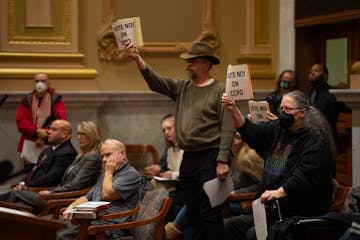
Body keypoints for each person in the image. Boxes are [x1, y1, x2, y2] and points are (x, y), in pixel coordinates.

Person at [125, 41, 234, 240]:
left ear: (206, 64)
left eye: (192, 62)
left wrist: (222, 160)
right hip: (189, 158)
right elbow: (155, 82)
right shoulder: (184, 88)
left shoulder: (220, 90)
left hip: (210, 156)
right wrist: (137, 58)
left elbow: (228, 126)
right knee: (192, 212)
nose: (187, 65)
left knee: (210, 213)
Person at [221, 90, 335, 240]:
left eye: (288, 109)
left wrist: (279, 192)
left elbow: (304, 174)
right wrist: (233, 109)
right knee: (230, 226)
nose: (283, 113)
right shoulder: (279, 128)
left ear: (302, 112)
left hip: (297, 212)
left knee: (253, 234)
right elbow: (251, 132)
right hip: (272, 210)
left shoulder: (315, 139)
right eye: (281, 109)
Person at [164, 132, 264, 240]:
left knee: (201, 206)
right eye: (231, 137)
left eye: (238, 138)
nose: (233, 140)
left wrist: (236, 193)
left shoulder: (248, 158)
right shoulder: (227, 157)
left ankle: (173, 230)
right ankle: (176, 231)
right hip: (227, 198)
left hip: (241, 202)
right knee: (197, 203)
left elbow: (259, 185)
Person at [6, 120, 102, 214]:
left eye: (83, 134)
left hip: (64, 200)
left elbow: (76, 185)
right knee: (20, 205)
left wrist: (51, 192)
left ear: (92, 135)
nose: (79, 137)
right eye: (78, 134)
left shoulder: (93, 157)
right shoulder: (81, 156)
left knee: (16, 193)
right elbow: (64, 182)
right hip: (57, 195)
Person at [57, 139, 142, 240]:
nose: (104, 160)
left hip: (109, 227)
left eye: (108, 155)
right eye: (102, 156)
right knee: (52, 227)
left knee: (60, 235)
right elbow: (87, 197)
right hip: (92, 221)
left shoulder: (130, 174)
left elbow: (108, 195)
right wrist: (71, 207)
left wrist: (108, 173)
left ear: (122, 153)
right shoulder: (106, 175)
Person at [0, 119, 77, 201]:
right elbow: (34, 170)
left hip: (44, 194)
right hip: (31, 190)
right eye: (50, 128)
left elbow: (52, 178)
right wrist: (22, 183)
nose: (48, 131)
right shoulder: (48, 150)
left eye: (54, 129)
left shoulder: (67, 153)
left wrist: (27, 186)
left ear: (64, 134)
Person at [16, 72, 67, 173]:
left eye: (43, 81)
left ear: (48, 83)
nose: (39, 84)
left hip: (49, 142)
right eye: (37, 81)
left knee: (44, 173)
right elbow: (21, 121)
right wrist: (37, 131)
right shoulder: (27, 100)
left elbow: (60, 121)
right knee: (29, 174)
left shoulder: (56, 100)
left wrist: (45, 133)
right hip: (30, 142)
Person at [142, 114, 185, 222]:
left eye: (169, 128)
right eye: (164, 130)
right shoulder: (169, 150)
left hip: (183, 188)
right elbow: (164, 170)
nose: (166, 132)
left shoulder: (187, 148)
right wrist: (158, 170)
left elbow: (189, 172)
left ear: (178, 127)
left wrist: (172, 174)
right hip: (171, 185)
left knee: (168, 199)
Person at [307, 63, 340, 149]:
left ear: (325, 75)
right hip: (309, 137)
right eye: (311, 71)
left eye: (317, 70)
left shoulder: (332, 93)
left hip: (327, 138)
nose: (312, 73)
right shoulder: (308, 93)